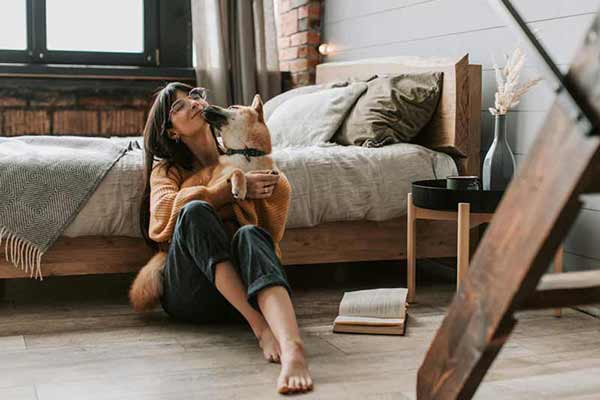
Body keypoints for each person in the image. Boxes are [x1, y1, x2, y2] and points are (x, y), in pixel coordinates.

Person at [138, 82, 312, 394]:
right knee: (193, 211)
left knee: (250, 233)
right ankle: (260, 328)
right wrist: (224, 192)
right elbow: (163, 220)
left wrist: (265, 181)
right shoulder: (166, 172)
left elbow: (271, 230)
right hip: (192, 295)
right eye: (179, 106)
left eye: (194, 96)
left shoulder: (240, 150)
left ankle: (293, 348)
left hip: (246, 286)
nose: (192, 104)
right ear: (172, 132)